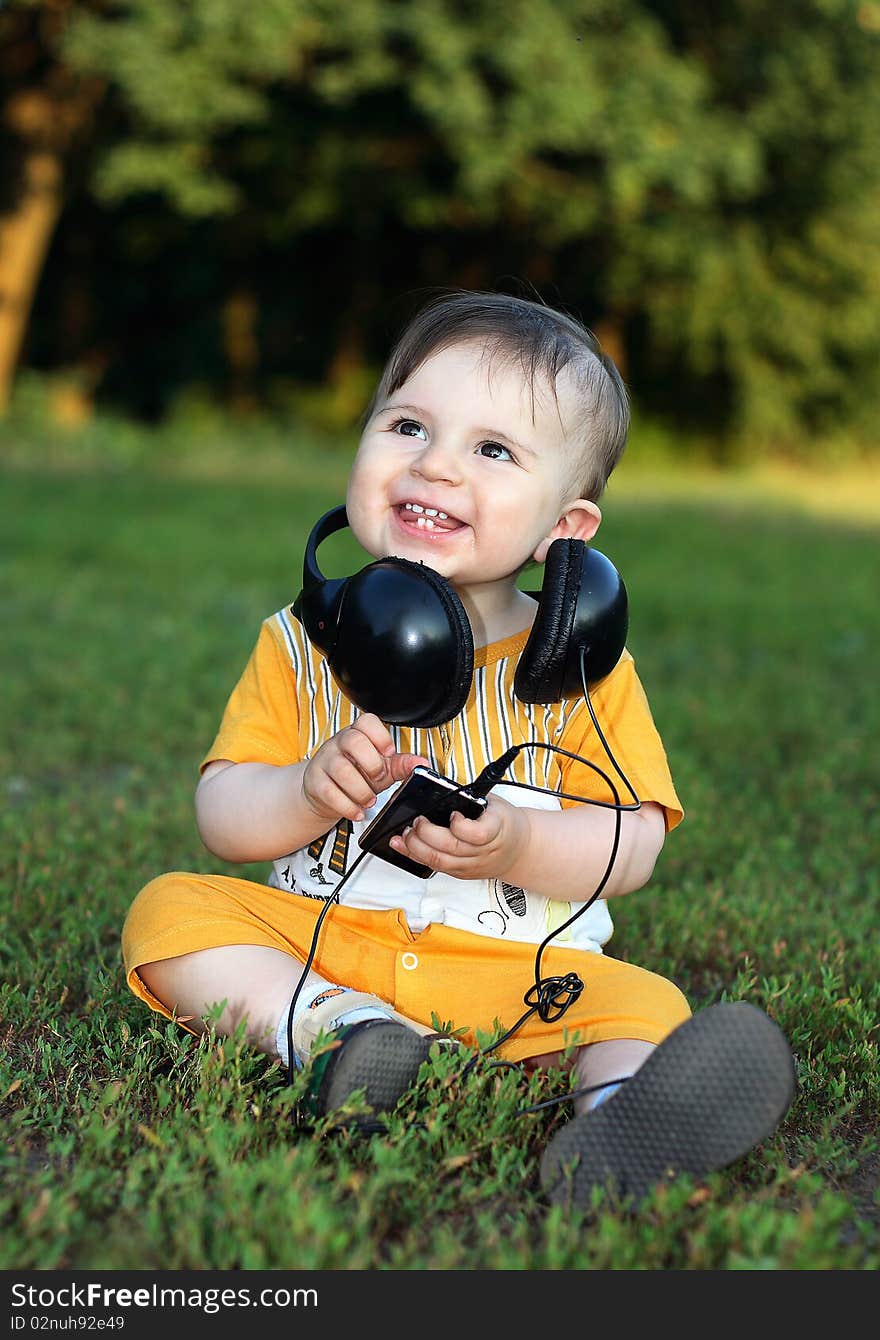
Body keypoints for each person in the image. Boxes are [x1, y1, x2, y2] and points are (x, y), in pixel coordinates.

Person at [122, 290, 795, 1207]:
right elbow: (223, 819)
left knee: (644, 1005)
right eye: (406, 425)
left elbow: (632, 846)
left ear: (566, 529)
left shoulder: (586, 671)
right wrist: (306, 790)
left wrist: (520, 844)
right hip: (327, 951)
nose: (434, 466)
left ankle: (620, 1124)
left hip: (519, 979)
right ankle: (341, 1034)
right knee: (169, 914)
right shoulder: (299, 643)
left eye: (492, 450)